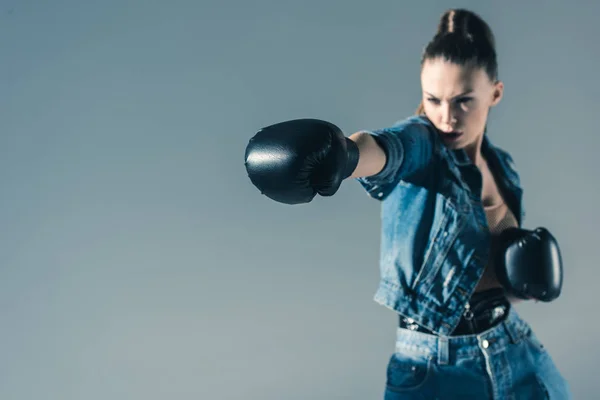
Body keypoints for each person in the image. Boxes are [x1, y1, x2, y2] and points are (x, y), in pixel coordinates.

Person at [244, 8, 570, 400]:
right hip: (435, 363)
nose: (446, 117)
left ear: (495, 93)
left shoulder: (505, 168)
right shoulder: (422, 144)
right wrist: (345, 155)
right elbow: (385, 148)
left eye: (464, 101)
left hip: (514, 345)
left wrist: (524, 278)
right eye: (433, 99)